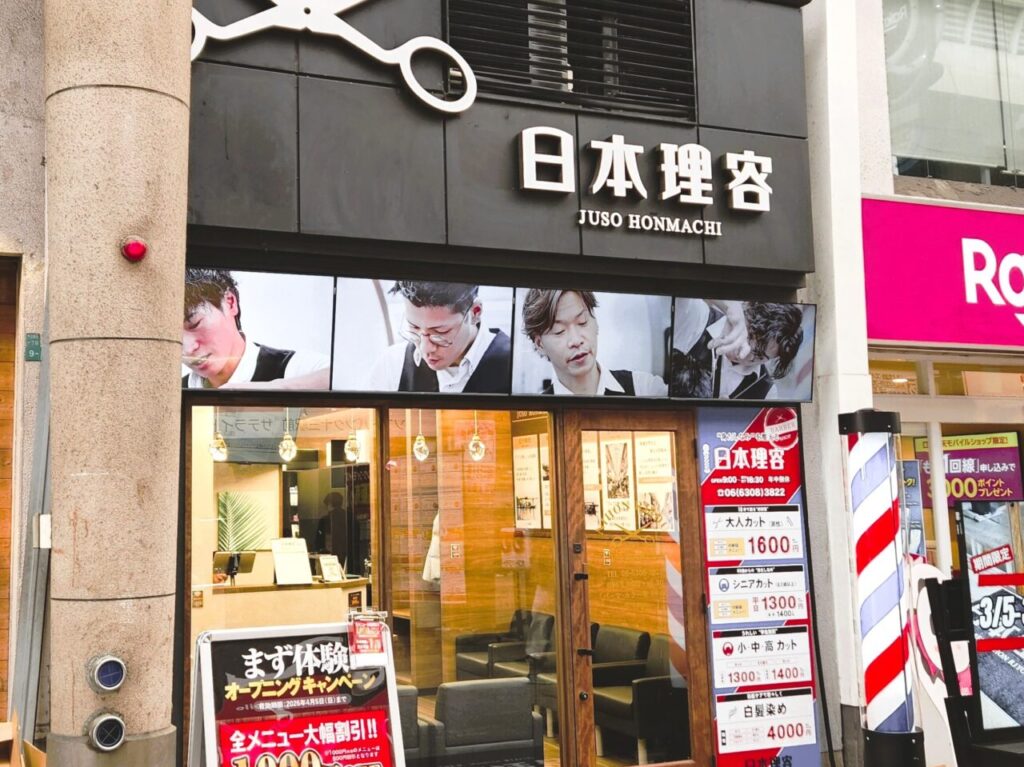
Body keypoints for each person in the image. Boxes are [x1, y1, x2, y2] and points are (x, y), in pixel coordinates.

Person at [182, 268, 330, 389]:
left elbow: (340, 376)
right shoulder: (176, 390)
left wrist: (275, 389)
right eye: (175, 338)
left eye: (195, 324)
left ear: (230, 302)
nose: (188, 349)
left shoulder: (292, 368)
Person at [368, 281, 512, 393]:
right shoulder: (392, 366)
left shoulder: (516, 367)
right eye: (414, 327)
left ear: (475, 312)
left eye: (440, 332)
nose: (425, 348)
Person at [520, 289, 668, 396]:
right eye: (559, 331)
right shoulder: (536, 412)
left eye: (582, 322)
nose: (576, 340)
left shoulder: (644, 388)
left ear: (595, 322)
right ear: (539, 344)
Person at [671, 298, 803, 399]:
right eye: (748, 336)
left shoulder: (766, 392)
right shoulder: (697, 317)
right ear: (746, 314)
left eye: (758, 356)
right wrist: (730, 305)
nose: (743, 354)